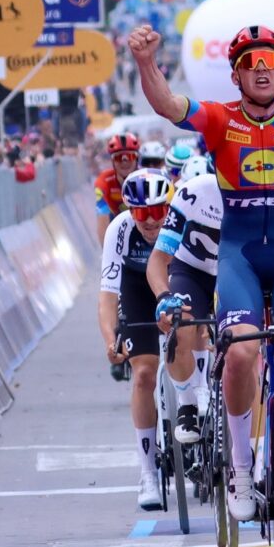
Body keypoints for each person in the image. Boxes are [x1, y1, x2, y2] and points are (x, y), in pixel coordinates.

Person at [129, 22, 274, 522]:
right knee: (239, 352)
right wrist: (146, 63)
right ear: (235, 76)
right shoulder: (219, 119)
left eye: (269, 64)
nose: (261, 72)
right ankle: (238, 470)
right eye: (250, 66)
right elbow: (169, 106)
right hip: (237, 255)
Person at [98, 168, 174, 511]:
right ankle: (147, 473)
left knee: (196, 338)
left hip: (175, 280)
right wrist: (111, 340)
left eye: (158, 211)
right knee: (144, 373)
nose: (150, 221)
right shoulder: (120, 229)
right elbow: (107, 296)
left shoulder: (179, 221)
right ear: (130, 211)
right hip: (136, 288)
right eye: (141, 213)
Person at [146, 154, 221, 443]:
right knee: (180, 325)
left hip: (234, 272)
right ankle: (188, 401)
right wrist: (164, 297)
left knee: (244, 343)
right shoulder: (192, 193)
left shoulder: (254, 190)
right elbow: (159, 258)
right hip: (191, 270)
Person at [95, 132, 139, 244]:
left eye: (129, 156)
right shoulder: (103, 181)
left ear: (136, 158)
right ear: (112, 161)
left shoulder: (147, 178)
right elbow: (102, 220)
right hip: (116, 224)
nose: (124, 162)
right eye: (119, 157)